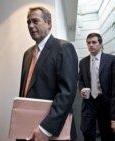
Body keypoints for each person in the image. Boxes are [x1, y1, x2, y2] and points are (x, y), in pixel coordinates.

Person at [18, 6, 78, 141]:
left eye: (35, 21)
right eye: (28, 22)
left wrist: (45, 128)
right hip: (29, 127)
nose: (31, 26)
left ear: (49, 23)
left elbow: (67, 93)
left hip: (53, 129)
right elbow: (25, 91)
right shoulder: (27, 54)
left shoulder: (63, 48)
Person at [78, 33, 115, 141]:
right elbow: (80, 80)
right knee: (86, 130)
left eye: (94, 42)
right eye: (88, 43)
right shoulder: (83, 62)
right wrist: (81, 89)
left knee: (107, 133)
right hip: (89, 101)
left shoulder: (111, 60)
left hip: (105, 101)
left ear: (100, 44)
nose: (91, 45)